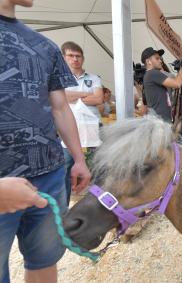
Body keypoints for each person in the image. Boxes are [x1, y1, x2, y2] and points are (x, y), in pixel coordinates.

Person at [0, 1, 91, 282]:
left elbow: (60, 108)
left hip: (48, 178)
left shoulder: (45, 46)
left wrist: (78, 159)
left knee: (43, 261)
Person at [61, 41, 103, 204]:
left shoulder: (93, 78)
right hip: (68, 130)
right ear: (64, 58)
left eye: (78, 56)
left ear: (83, 59)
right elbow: (60, 97)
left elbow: (99, 99)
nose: (75, 59)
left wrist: (72, 95)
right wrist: (86, 94)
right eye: (71, 56)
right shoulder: (59, 79)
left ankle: (99, 204)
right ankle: (63, 208)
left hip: (92, 129)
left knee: (98, 168)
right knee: (64, 168)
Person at [142, 47, 182, 123]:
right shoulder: (153, 73)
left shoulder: (149, 74)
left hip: (159, 121)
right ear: (148, 61)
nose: (160, 61)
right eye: (157, 58)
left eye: (160, 58)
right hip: (159, 122)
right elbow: (177, 84)